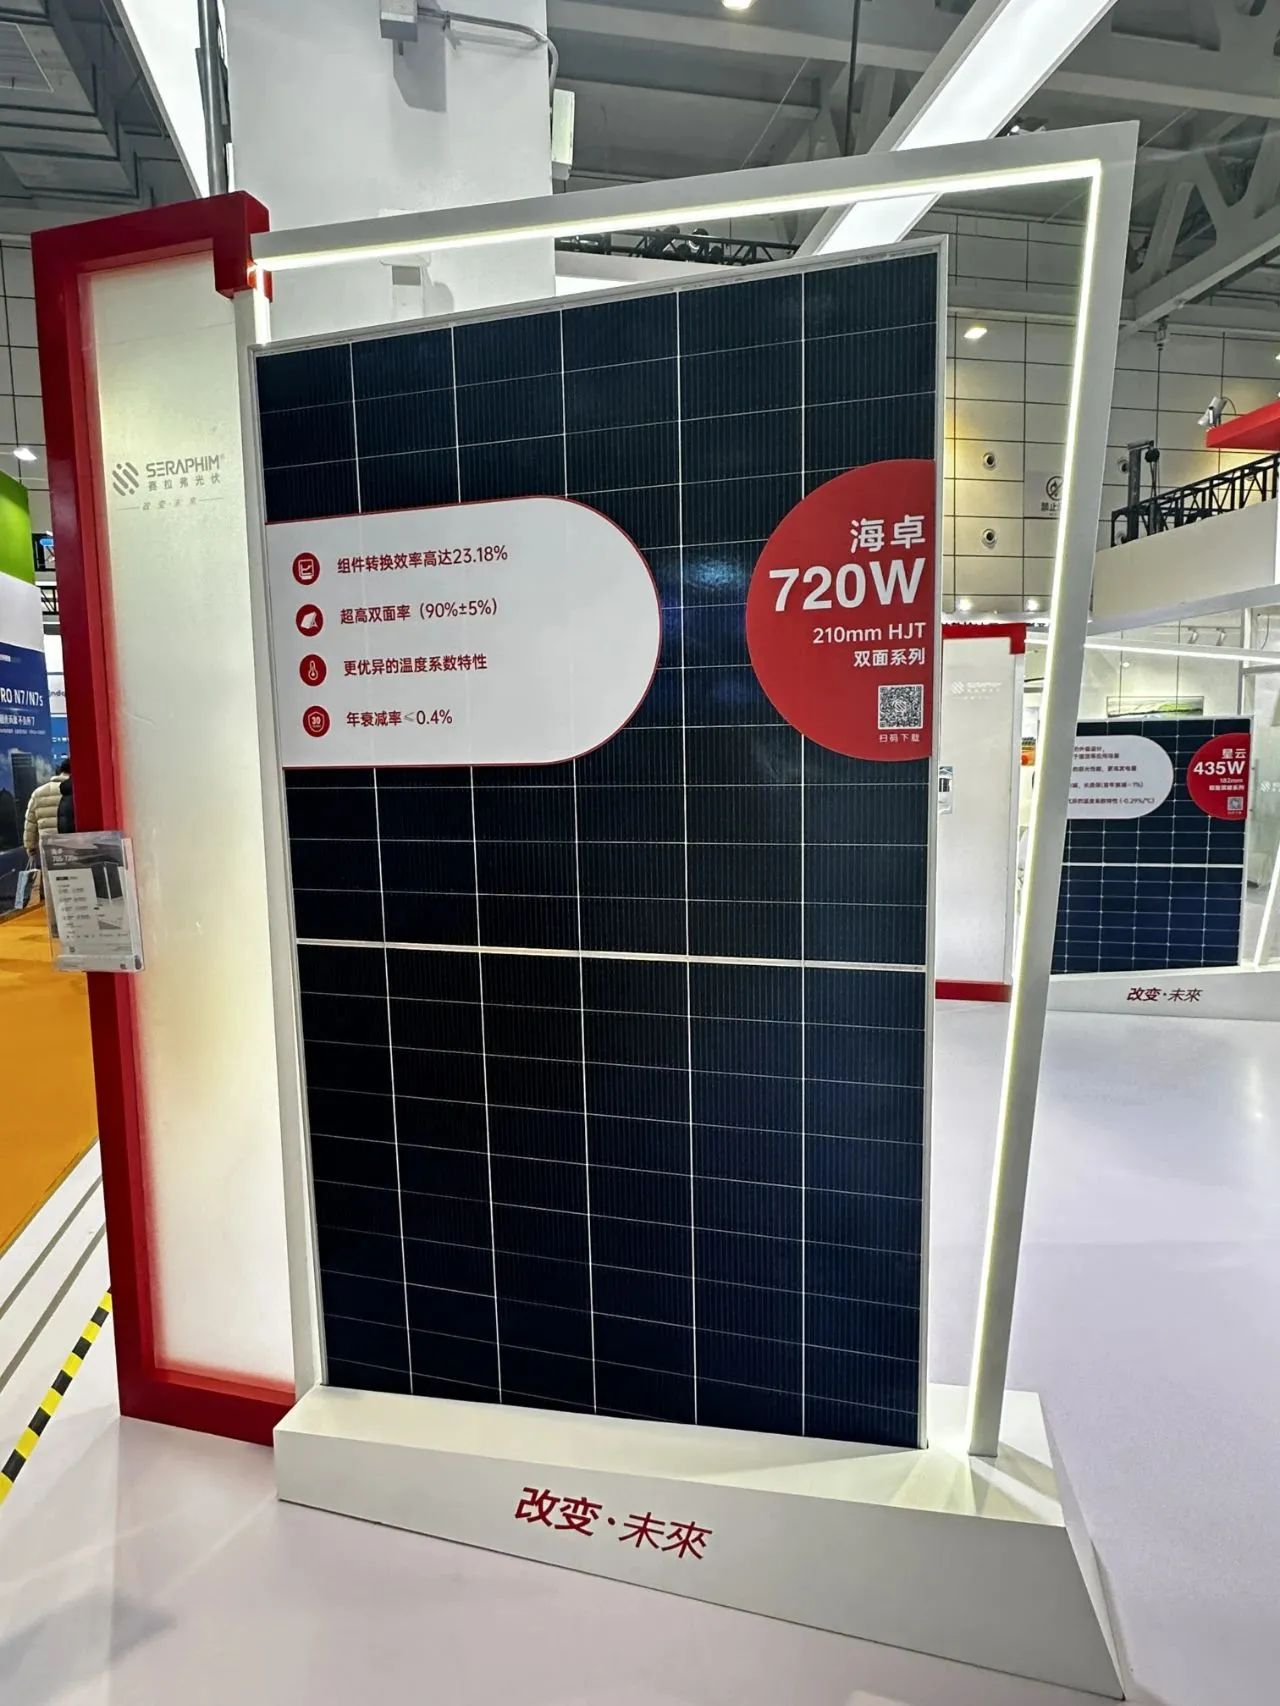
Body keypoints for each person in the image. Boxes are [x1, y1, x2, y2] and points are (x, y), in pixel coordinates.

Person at [23, 759, 69, 855]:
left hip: (48, 849)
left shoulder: (38, 793)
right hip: (74, 845)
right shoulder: (76, 789)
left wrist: (30, 847)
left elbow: (30, 823)